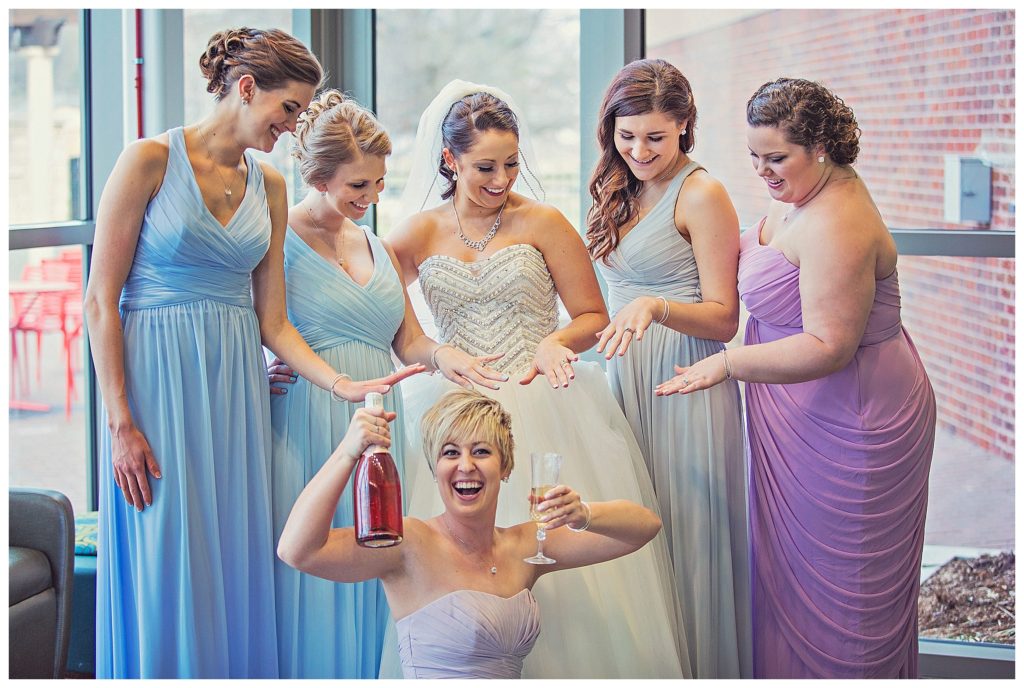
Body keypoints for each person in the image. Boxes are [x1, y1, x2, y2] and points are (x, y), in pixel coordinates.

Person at [84, 28, 419, 678]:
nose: (294, 128)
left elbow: (274, 323)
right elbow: (100, 301)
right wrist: (120, 421)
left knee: (234, 552)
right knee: (168, 547)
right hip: (156, 384)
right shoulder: (147, 161)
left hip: (234, 384)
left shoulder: (267, 183)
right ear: (246, 89)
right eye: (289, 109)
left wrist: (338, 383)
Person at [381, 80, 688, 679]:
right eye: (484, 168)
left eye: (512, 165)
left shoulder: (543, 222)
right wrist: (440, 355)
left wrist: (553, 341)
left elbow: (593, 317)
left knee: (558, 553)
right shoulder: (414, 234)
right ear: (450, 160)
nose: (501, 181)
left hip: (544, 397)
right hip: (456, 406)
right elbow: (399, 328)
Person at [656, 77, 936, 679]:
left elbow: (829, 346)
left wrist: (727, 362)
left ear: (822, 147)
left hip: (850, 418)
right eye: (755, 157)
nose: (762, 171)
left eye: (775, 157)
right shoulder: (801, 194)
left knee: (841, 592)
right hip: (798, 410)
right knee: (785, 573)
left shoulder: (839, 221)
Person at [265, 89, 506, 678]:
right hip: (311, 418)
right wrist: (264, 366)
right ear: (317, 176)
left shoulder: (371, 240)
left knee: (380, 558)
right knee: (317, 568)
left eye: (378, 184)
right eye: (357, 187)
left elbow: (410, 341)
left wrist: (450, 356)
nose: (371, 200)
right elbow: (261, 325)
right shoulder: (278, 237)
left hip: (380, 423)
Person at [277, 388, 666, 680]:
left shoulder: (524, 545)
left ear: (506, 466)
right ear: (434, 468)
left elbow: (645, 526)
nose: (465, 466)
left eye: (481, 451)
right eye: (450, 453)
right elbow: (298, 550)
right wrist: (348, 452)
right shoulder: (407, 543)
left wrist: (584, 514)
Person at [586, 58, 752, 679]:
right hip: (624, 377)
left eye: (655, 136)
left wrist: (655, 306)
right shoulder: (617, 183)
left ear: (685, 125)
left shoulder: (702, 192)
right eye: (626, 137)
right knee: (633, 529)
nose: (639, 150)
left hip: (686, 380)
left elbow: (722, 317)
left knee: (684, 531)